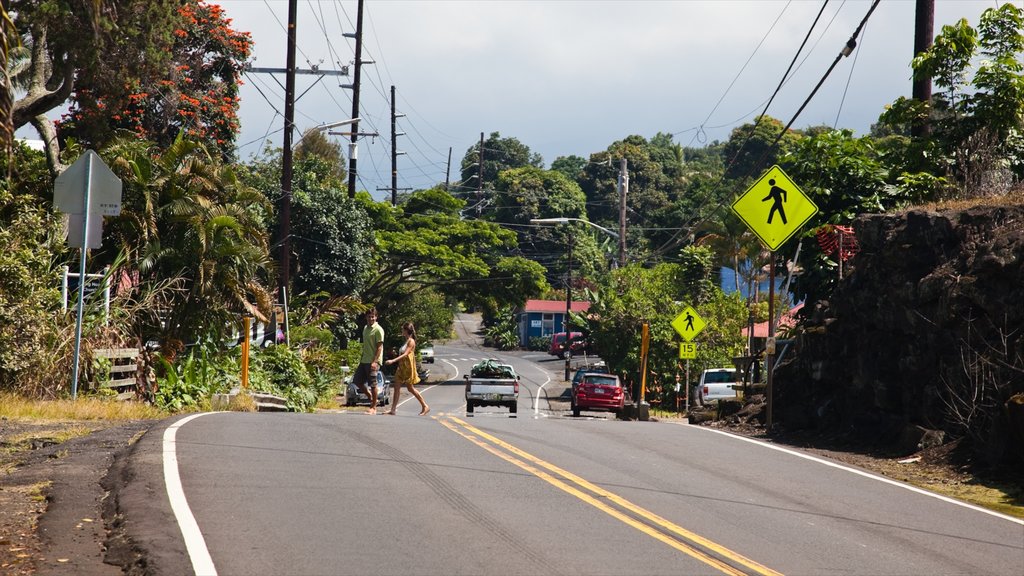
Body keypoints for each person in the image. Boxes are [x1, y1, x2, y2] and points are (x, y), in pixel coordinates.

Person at [385, 322, 429, 416]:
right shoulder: (406, 341)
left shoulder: (411, 341)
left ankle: (425, 406)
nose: (401, 331)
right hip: (401, 368)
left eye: (402, 329)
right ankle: (393, 410)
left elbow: (406, 354)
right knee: (396, 387)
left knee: (410, 388)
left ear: (406, 330)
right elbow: (402, 354)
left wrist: (393, 360)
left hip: (408, 368)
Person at [351, 308, 384, 414]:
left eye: (373, 316)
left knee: (373, 384)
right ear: (366, 317)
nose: (371, 318)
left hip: (373, 361)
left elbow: (379, 347)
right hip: (364, 359)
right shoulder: (365, 328)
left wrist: (375, 362)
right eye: (369, 316)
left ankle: (373, 407)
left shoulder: (378, 329)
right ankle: (371, 397)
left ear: (376, 317)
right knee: (357, 381)